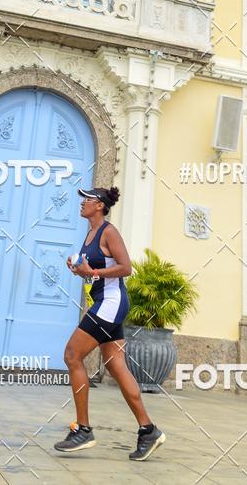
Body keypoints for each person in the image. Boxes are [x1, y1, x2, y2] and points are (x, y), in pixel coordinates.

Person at [54, 186, 165, 462]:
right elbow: (95, 275)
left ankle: (83, 429)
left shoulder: (109, 232)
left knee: (72, 355)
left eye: (87, 200)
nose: (82, 203)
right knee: (117, 367)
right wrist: (80, 270)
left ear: (100, 205)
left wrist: (91, 271)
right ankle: (148, 430)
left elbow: (126, 267)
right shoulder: (90, 233)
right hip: (103, 303)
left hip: (110, 304)